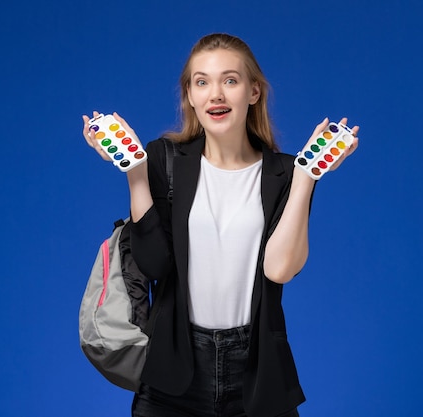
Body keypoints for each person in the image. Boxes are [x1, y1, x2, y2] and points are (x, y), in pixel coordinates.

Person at [82, 33, 359, 417]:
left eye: (230, 80)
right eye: (202, 82)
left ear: (254, 92)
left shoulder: (286, 173)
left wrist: (307, 178)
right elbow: (154, 266)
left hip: (257, 369)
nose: (215, 94)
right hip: (175, 368)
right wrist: (136, 174)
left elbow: (280, 269)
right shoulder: (163, 160)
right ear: (190, 97)